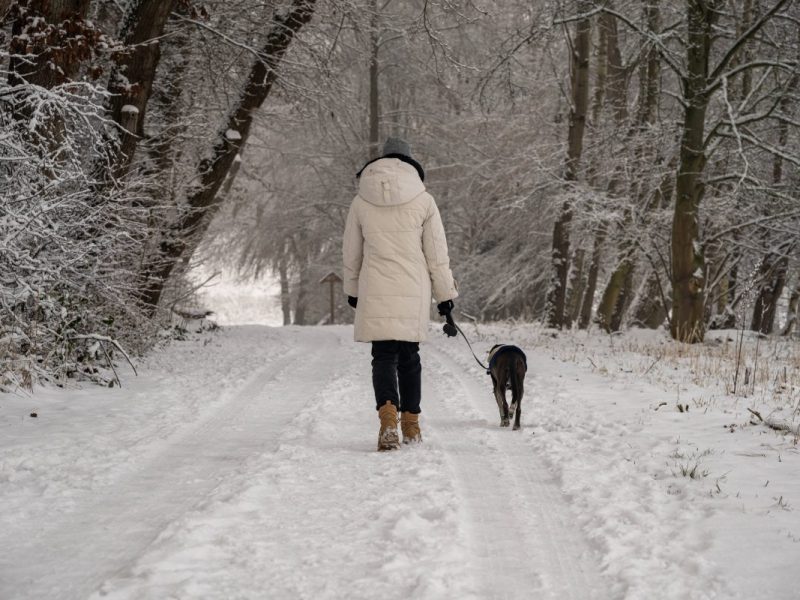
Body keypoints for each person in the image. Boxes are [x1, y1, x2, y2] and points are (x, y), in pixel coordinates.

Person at [342, 137, 458, 451]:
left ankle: (387, 419)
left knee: (383, 357)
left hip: (375, 286)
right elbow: (437, 255)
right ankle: (411, 425)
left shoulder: (361, 200)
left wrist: (352, 289)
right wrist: (445, 296)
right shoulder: (424, 200)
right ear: (410, 164)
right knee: (409, 358)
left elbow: (351, 252)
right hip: (412, 287)